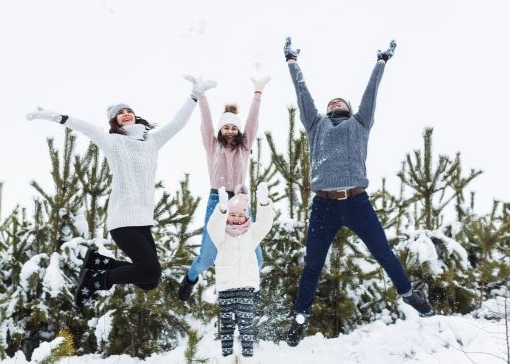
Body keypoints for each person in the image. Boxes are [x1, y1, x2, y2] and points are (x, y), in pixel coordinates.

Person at [282, 37, 434, 347]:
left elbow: (371, 94)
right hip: (323, 205)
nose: (334, 103)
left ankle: (408, 294)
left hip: (356, 202)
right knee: (313, 265)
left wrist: (381, 62)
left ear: (350, 109)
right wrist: (292, 62)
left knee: (383, 253)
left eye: (340, 102)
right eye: (331, 102)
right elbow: (303, 95)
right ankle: (300, 317)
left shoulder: (360, 123)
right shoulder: (316, 125)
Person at [26, 77, 216, 308]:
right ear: (114, 120)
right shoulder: (113, 141)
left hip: (143, 221)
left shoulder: (152, 141)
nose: (126, 113)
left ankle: (98, 263)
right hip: (123, 220)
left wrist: (194, 97)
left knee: (149, 281)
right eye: (120, 112)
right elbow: (85, 127)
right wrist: (54, 116)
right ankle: (98, 279)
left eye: (129, 110)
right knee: (149, 271)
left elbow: (177, 124)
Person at [177, 75, 271, 301]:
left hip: (240, 202)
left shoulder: (244, 147)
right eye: (226, 127)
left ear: (238, 131)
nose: (230, 130)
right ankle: (190, 278)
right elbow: (206, 122)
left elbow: (252, 122)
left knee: (257, 258)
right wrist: (201, 95)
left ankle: (251, 290)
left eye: (233, 127)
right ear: (221, 130)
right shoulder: (212, 146)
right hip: (216, 201)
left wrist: (258, 92)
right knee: (208, 258)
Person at [207, 183, 274, 364]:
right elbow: (212, 227)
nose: (236, 218)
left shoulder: (251, 233)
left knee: (246, 324)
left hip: (246, 285)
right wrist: (221, 209)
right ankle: (227, 357)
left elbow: (266, 223)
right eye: (232, 214)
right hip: (226, 286)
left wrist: (264, 202)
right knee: (227, 325)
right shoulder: (221, 234)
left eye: (240, 214)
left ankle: (247, 357)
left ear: (246, 215)